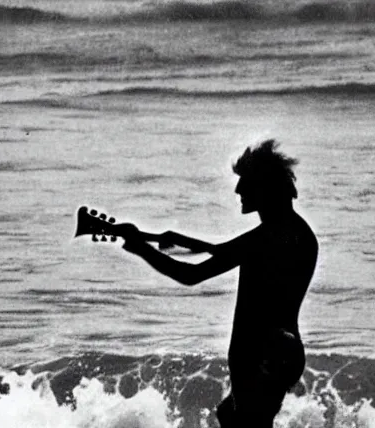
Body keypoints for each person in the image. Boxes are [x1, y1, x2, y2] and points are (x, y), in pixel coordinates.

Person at [121, 139, 318, 428]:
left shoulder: (265, 238)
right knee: (230, 416)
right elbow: (224, 250)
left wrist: (142, 249)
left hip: (261, 352)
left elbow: (192, 275)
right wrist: (178, 240)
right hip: (284, 349)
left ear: (264, 187)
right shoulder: (295, 231)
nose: (238, 190)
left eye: (246, 183)